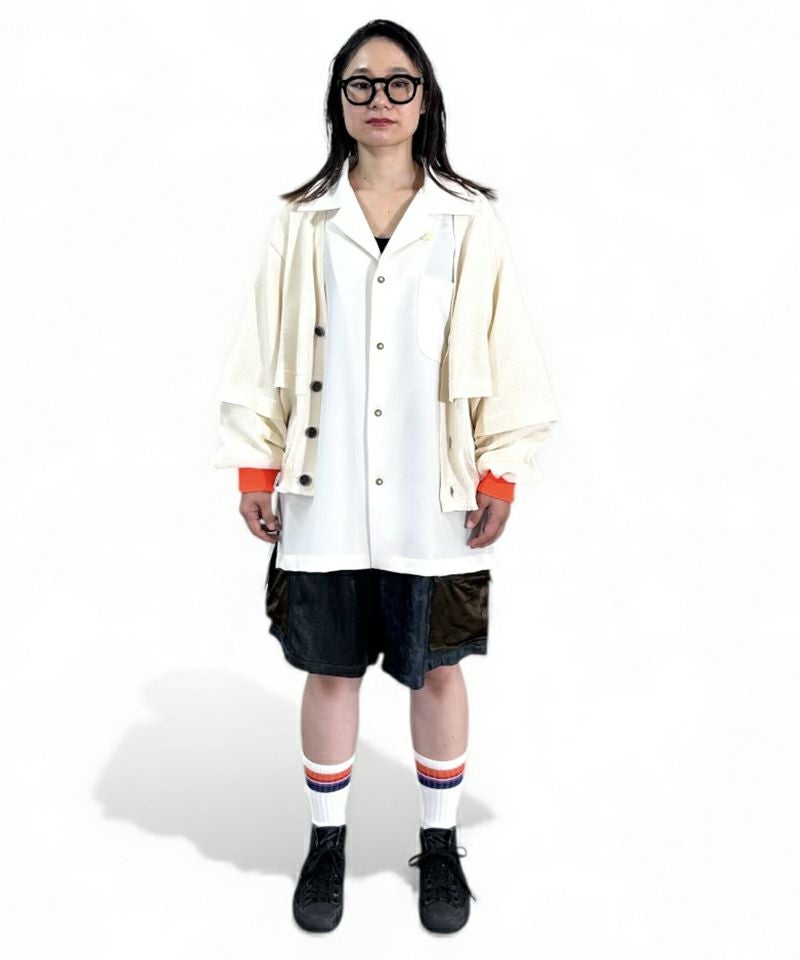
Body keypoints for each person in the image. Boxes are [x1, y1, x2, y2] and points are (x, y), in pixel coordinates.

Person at [210, 18, 559, 935]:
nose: (379, 100)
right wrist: (256, 460)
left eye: (398, 83)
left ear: (426, 98)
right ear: (339, 101)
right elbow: (260, 348)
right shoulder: (301, 221)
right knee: (330, 673)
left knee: (436, 671)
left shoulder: (466, 221)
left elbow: (507, 351)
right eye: (359, 84)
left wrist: (502, 469)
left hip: (433, 497)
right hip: (321, 489)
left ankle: (439, 846)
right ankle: (326, 843)